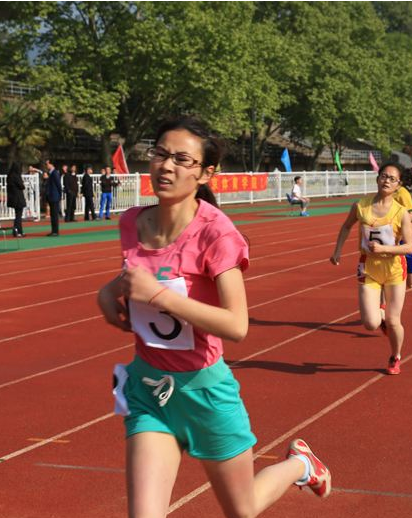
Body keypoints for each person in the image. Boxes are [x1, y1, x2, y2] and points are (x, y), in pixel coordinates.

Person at [97, 116, 330, 518]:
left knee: (242, 509)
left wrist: (155, 295)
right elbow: (134, 274)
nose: (166, 166)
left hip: (205, 394)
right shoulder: (131, 222)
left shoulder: (216, 234)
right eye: (160, 154)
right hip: (148, 389)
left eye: (182, 160)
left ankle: (301, 465)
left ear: (206, 172)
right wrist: (108, 293)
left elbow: (236, 325)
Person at [330, 163, 412, 375]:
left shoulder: (401, 213)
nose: (386, 181)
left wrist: (385, 248)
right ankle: (381, 316)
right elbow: (347, 226)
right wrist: (337, 250)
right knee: (370, 323)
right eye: (383, 176)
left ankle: (395, 356)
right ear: (377, 179)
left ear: (398, 186)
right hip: (368, 266)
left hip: (394, 269)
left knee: (395, 321)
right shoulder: (361, 205)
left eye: (392, 179)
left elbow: (409, 246)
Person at [394, 165, 412, 297]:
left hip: (405, 243)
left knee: (410, 282)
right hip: (389, 244)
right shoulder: (382, 195)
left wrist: (394, 216)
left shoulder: (402, 193)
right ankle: (382, 311)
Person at [6, 163, 26, 237]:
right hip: (18, 198)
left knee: (17, 215)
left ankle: (19, 231)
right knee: (18, 216)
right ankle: (17, 231)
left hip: (13, 199)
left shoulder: (9, 176)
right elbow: (21, 186)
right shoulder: (16, 176)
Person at [44, 159, 61, 236]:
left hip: (54, 196)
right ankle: (53, 230)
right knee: (52, 215)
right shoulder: (50, 173)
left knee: (54, 214)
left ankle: (55, 231)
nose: (46, 165)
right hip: (51, 196)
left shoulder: (55, 173)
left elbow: (58, 185)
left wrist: (59, 195)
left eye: (47, 164)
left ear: (51, 164)